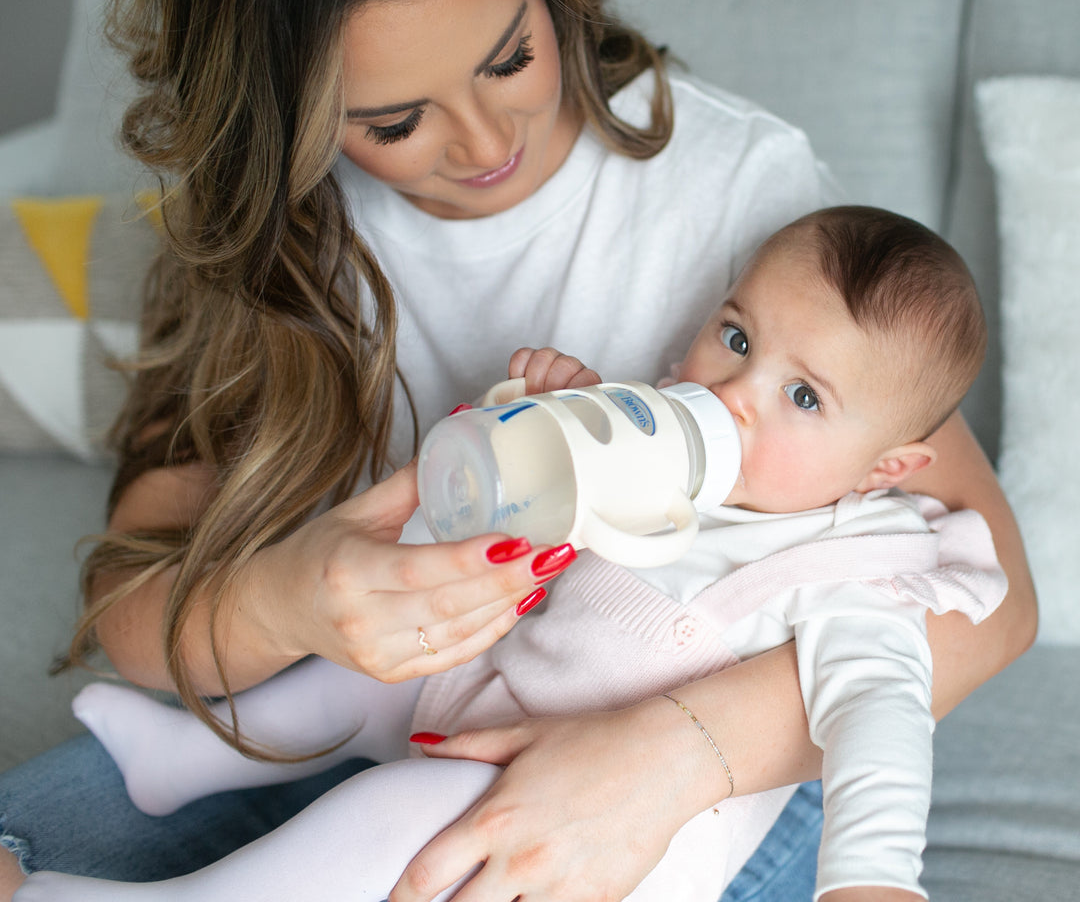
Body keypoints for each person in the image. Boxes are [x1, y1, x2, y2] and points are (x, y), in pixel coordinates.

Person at [0, 0, 1035, 901]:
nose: (486, 139)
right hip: (422, 687)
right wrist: (286, 604)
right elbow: (133, 609)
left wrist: (674, 754)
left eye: (511, 57)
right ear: (283, 119)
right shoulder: (280, 242)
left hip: (710, 737)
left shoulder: (735, 192)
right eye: (394, 120)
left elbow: (987, 597)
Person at [18, 206, 1007, 902]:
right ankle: (185, 755)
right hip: (488, 696)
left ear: (887, 467)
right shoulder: (675, 452)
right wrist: (547, 416)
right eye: (737, 335)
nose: (736, 393)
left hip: (576, 821)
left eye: (804, 397)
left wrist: (874, 876)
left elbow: (883, 725)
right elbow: (528, 517)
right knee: (373, 672)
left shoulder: (854, 575)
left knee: (403, 815)